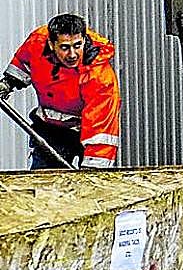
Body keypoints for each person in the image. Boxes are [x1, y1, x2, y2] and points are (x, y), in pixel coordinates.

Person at [0, 13, 121, 169]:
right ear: (51, 44)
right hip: (51, 130)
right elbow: (24, 63)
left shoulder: (99, 78)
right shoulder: (37, 42)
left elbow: (101, 133)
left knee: (90, 178)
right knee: (45, 181)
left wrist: (93, 174)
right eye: (65, 47)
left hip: (86, 131)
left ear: (84, 40)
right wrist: (8, 83)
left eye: (77, 45)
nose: (72, 54)